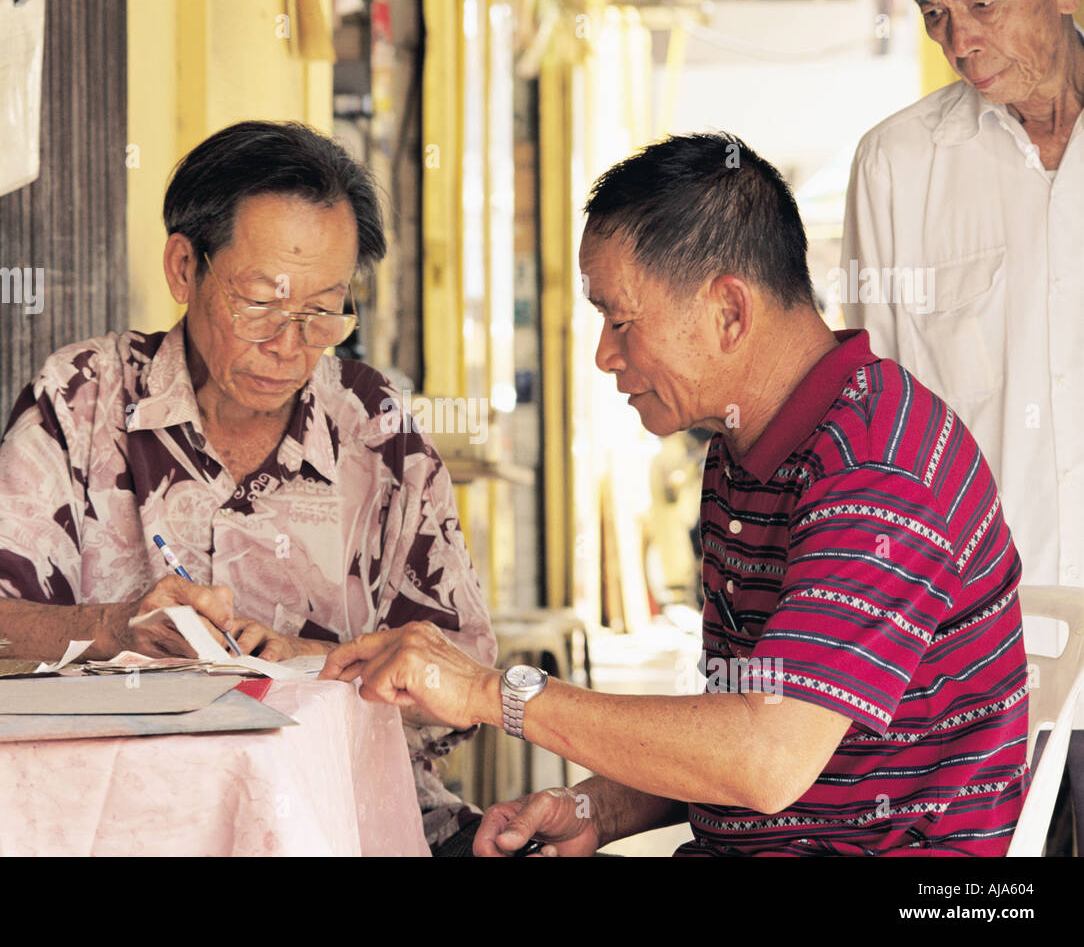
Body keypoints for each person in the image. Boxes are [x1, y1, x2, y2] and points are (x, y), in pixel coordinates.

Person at [322, 132, 1029, 856]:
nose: (604, 355)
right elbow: (729, 727)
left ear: (728, 312)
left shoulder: (878, 467)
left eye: (621, 320)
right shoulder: (744, 449)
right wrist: (590, 808)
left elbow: (765, 755)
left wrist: (488, 692)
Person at [0, 120, 497, 853]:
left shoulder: (376, 430)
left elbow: (469, 681)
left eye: (323, 310)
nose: (291, 345)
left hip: (344, 819)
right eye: (261, 302)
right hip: (115, 821)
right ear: (183, 268)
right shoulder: (84, 398)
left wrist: (309, 661)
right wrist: (113, 631)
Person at [842, 0, 1083, 853]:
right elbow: (875, 445)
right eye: (934, 13)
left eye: (980, 4)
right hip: (978, 691)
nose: (959, 39)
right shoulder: (899, 167)